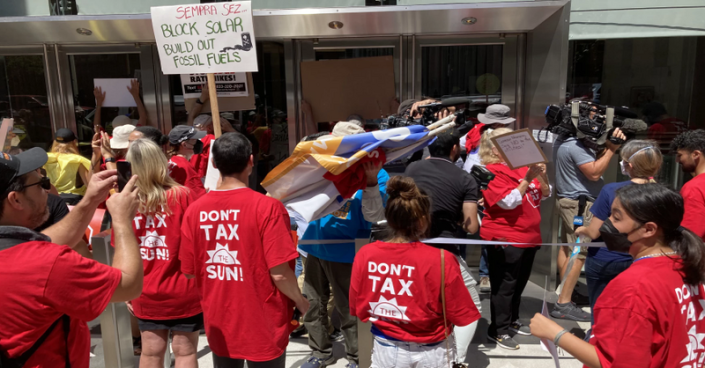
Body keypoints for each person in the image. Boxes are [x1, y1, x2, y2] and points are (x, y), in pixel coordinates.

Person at [530, 183, 705, 367]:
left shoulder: (632, 287)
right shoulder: (685, 267)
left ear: (649, 229)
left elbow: (614, 362)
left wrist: (555, 333)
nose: (607, 223)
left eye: (616, 217)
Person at [0, 148, 143, 368]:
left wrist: (90, 201)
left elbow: (45, 240)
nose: (48, 190)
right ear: (16, 199)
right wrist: (122, 221)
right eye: (42, 184)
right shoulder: (47, 263)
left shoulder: (20, 252)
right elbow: (129, 284)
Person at [180, 132, 309, 368]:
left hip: (219, 317)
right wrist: (300, 301)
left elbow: (189, 271)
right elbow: (279, 272)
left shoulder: (195, 210)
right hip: (263, 319)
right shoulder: (268, 207)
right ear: (251, 161)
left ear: (214, 164)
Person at [349, 176, 481, 368]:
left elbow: (356, 305)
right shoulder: (442, 259)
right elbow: (462, 314)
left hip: (385, 347)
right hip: (433, 350)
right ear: (422, 221)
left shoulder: (366, 254)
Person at [298, 122, 388, 368]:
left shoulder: (378, 173)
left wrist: (370, 182)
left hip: (347, 252)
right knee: (313, 304)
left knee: (349, 309)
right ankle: (320, 352)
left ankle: (357, 357)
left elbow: (374, 216)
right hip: (314, 245)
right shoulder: (323, 165)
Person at [121, 139, 202, 368]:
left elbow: (121, 248)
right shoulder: (183, 195)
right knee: (185, 353)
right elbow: (197, 242)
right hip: (184, 286)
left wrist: (126, 287)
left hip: (144, 287)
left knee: (150, 352)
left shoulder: (125, 201)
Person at [404, 129, 482, 361]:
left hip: (409, 246)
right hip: (443, 254)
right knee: (472, 305)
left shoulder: (412, 169)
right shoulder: (465, 178)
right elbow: (471, 227)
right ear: (454, 149)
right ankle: (455, 360)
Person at [478, 127, 551, 350]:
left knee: (518, 284)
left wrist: (541, 174)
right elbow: (508, 202)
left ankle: (511, 321)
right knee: (504, 285)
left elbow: (545, 193)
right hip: (505, 237)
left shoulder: (523, 168)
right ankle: (498, 330)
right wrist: (528, 178)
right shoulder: (490, 171)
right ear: (495, 150)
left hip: (529, 236)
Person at [574, 140, 662, 323]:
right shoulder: (662, 194)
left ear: (629, 166)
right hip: (643, 259)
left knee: (600, 310)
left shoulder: (611, 190)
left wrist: (581, 230)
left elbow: (595, 232)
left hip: (605, 259)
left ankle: (596, 341)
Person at [552, 125, 626, 321]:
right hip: (579, 206)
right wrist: (611, 149)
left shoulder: (564, 141)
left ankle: (567, 291)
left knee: (568, 248)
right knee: (579, 251)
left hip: (572, 203)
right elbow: (593, 173)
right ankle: (564, 303)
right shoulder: (574, 146)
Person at [460, 104, 517, 295]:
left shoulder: (478, 133)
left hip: (484, 187)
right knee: (473, 232)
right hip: (476, 187)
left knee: (480, 232)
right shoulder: (480, 134)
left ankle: (477, 274)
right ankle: (471, 273)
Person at [187, 87, 235, 179]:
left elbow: (191, 117)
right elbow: (246, 145)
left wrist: (202, 98)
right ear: (209, 127)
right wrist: (230, 129)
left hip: (195, 180)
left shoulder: (189, 139)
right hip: (213, 180)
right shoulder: (216, 141)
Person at [671, 129, 705, 240]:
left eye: (680, 155)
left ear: (695, 154)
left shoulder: (694, 188)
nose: (677, 160)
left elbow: (691, 236)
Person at [44, 128, 92, 205]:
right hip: (73, 200)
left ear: (54, 142)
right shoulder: (78, 160)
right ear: (74, 142)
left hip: (51, 199)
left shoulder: (46, 158)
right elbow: (89, 185)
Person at [167, 125, 207, 199]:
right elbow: (199, 197)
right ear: (184, 144)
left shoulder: (171, 161)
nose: (198, 143)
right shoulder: (186, 166)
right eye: (195, 141)